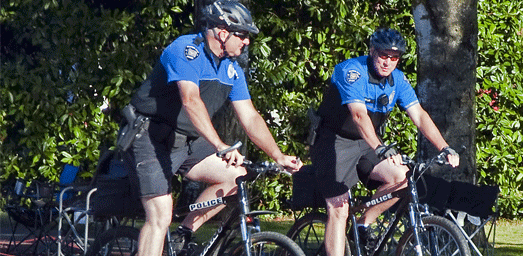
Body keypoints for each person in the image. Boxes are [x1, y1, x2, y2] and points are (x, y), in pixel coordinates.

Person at [121, 1, 302, 255]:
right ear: (222, 32)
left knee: (235, 176)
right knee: (161, 214)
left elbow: (250, 116)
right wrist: (220, 145)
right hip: (151, 136)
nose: (247, 41)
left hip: (186, 139)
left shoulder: (231, 69)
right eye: (242, 35)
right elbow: (190, 101)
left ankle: (183, 233)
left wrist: (278, 156)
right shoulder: (186, 50)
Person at [311, 27, 460, 256]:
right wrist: (380, 147)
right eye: (383, 55)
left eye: (394, 57)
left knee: (402, 178)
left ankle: (362, 223)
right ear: (372, 51)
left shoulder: (397, 80)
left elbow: (419, 114)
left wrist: (444, 146)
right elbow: (359, 115)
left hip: (366, 142)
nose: (388, 62)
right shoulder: (352, 71)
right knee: (339, 208)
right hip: (335, 141)